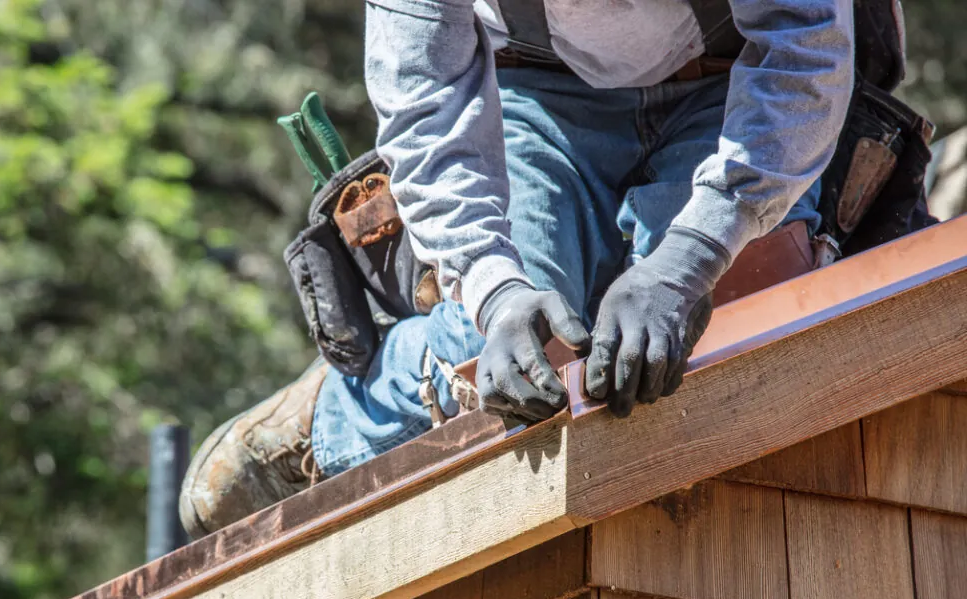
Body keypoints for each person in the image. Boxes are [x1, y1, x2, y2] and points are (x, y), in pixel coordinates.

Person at [180, 0, 855, 539]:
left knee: (742, 311)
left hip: (731, 86)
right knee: (518, 353)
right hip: (535, 91)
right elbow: (424, 106)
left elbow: (804, 50)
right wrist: (495, 290)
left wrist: (685, 262)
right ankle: (338, 415)